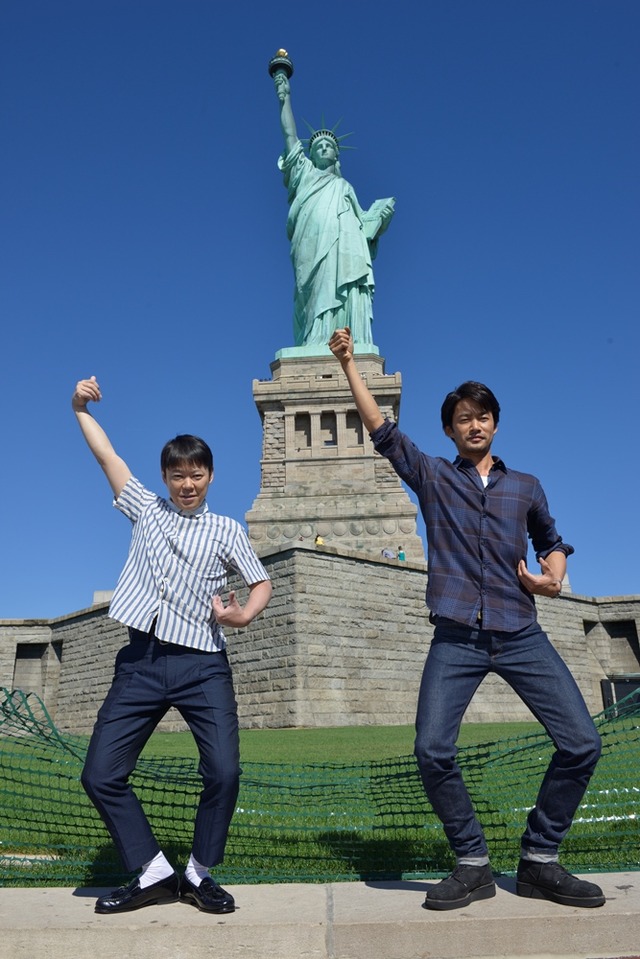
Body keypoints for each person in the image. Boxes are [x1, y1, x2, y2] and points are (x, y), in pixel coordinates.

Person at [328, 328, 604, 912]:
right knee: (432, 749)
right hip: (456, 634)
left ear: (495, 423)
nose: (473, 425)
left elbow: (552, 542)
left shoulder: (525, 487)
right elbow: (382, 430)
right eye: (462, 419)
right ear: (450, 430)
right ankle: (473, 864)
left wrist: (552, 576)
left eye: (482, 417)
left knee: (582, 743)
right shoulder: (434, 477)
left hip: (520, 631)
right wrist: (350, 364)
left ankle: (540, 859)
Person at [71, 375, 272, 915]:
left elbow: (261, 583)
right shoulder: (145, 508)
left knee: (224, 772)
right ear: (165, 477)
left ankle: (200, 874)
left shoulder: (227, 529)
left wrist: (243, 615)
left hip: (203, 665)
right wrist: (80, 408)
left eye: (196, 474)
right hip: (140, 661)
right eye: (178, 475)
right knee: (100, 774)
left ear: (210, 476)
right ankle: (154, 872)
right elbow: (108, 456)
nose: (187, 484)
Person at [273, 69, 395, 347]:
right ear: (311, 154)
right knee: (313, 291)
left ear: (336, 154)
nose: (324, 148)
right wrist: (284, 97)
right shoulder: (304, 174)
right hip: (311, 244)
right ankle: (314, 339)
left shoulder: (345, 187)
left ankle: (348, 341)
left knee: (346, 284)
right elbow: (290, 136)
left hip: (345, 248)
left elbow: (363, 227)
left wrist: (380, 221)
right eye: (318, 145)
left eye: (329, 145)